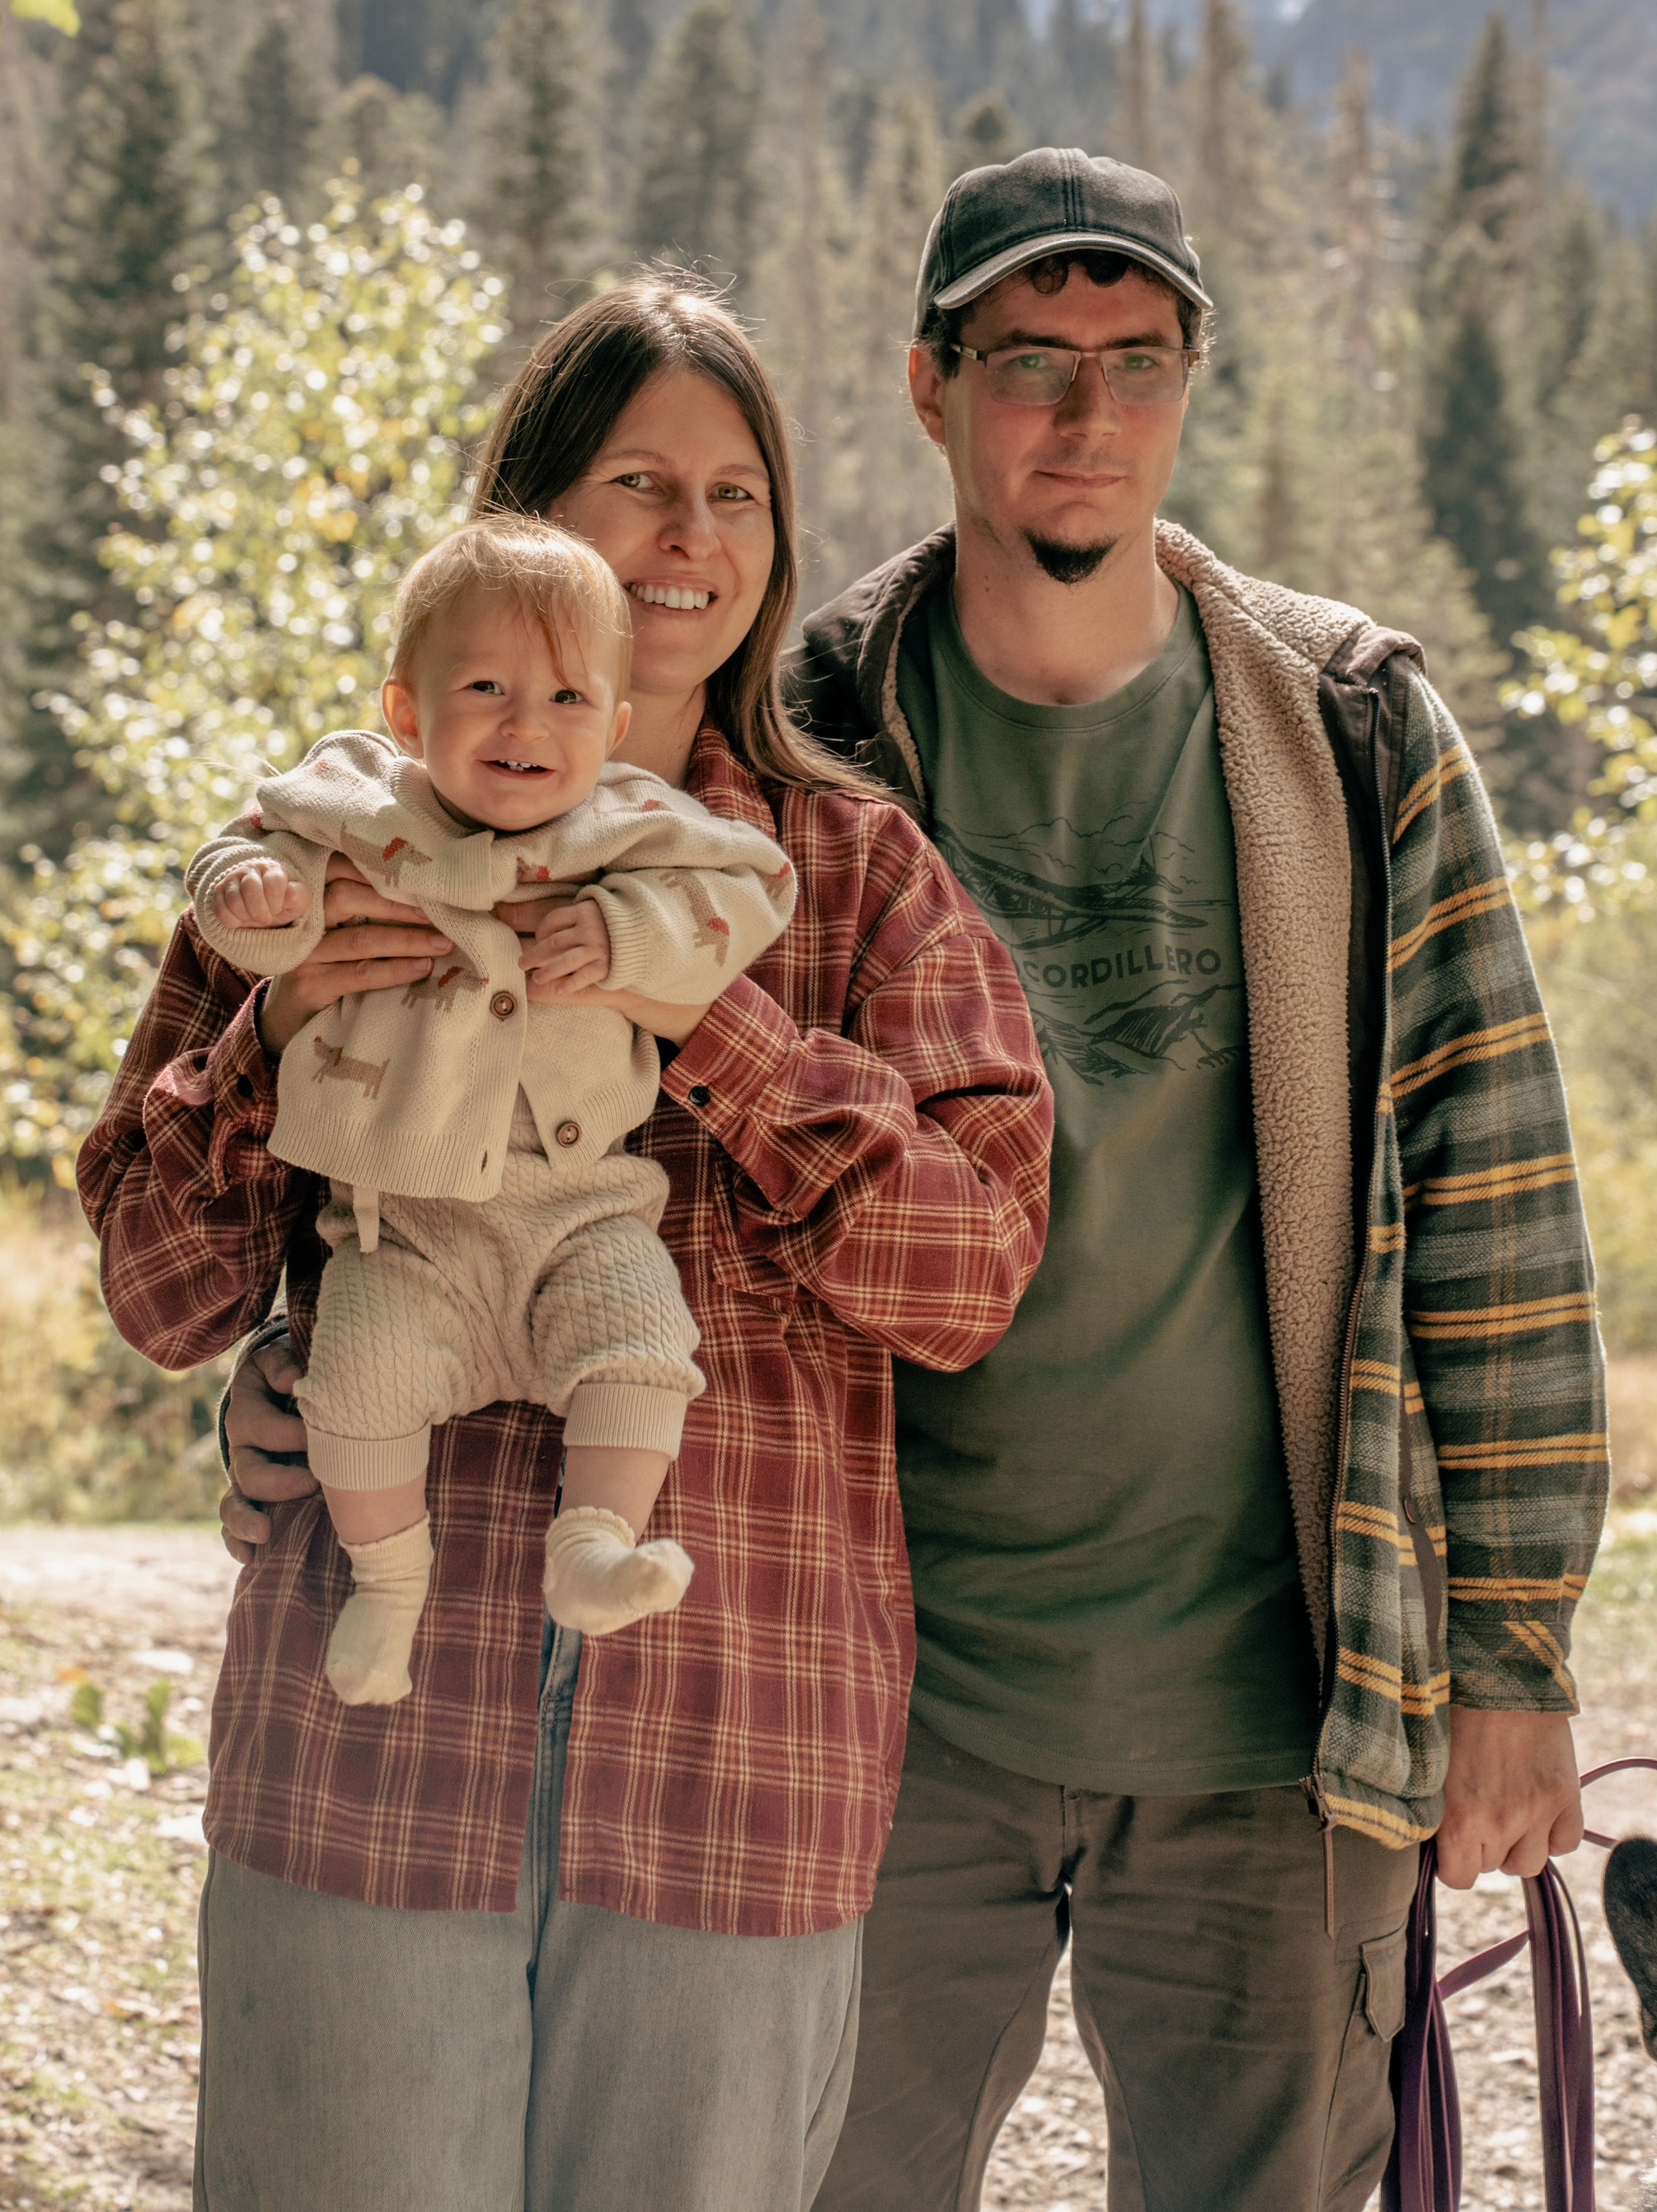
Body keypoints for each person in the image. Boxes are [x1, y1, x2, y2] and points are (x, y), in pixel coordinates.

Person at [78, 279, 1053, 2212]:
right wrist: (263, 1050)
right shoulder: (322, 853)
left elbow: (966, 1286)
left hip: (736, 1753)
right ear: (523, 519)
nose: (691, 541)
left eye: (737, 497)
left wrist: (720, 1024)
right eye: (639, 485)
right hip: (372, 1753)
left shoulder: (851, 875)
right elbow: (162, 1293)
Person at [790, 147, 1608, 2212]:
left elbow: (1494, 1207)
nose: (1083, 416)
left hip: (1273, 1714)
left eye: (1133, 363)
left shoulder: (1345, 724)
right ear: (927, 382)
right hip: (891, 1706)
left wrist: (1508, 1658)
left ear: (1186, 387)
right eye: (1030, 362)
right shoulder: (815, 723)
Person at [188, 514, 797, 1702]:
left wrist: (627, 936)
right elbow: (242, 854)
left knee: (643, 1349)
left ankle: (591, 1550)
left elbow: (749, 894)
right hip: (400, 1225)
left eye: (571, 698)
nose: (529, 725)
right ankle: (389, 1585)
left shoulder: (631, 825)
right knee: (353, 1384)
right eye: (486, 688)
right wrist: (255, 902)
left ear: (615, 728)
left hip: (581, 1213)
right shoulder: (356, 800)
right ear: (407, 712)